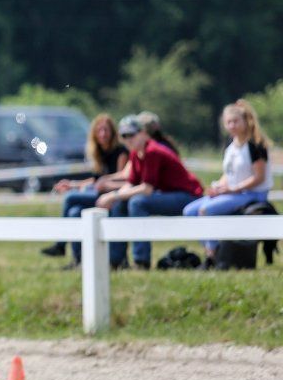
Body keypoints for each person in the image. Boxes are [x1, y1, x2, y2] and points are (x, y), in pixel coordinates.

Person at [96, 115, 203, 269]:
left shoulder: (153, 151)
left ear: (144, 134)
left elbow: (146, 189)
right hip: (169, 194)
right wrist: (113, 198)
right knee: (120, 204)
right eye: (124, 136)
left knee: (138, 202)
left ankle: (141, 261)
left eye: (132, 134)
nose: (128, 139)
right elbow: (131, 183)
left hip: (189, 196)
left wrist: (112, 195)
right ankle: (116, 260)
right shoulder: (135, 153)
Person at [183, 100, 274, 267]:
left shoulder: (255, 145)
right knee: (189, 211)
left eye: (235, 121)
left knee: (206, 210)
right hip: (233, 192)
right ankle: (211, 250)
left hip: (251, 193)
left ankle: (213, 255)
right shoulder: (231, 146)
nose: (232, 126)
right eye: (228, 122)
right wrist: (218, 187)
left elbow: (259, 178)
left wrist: (232, 189)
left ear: (245, 121)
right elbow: (230, 173)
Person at [41, 113, 128, 266]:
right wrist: (72, 184)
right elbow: (95, 180)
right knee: (74, 212)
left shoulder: (120, 152)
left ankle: (61, 244)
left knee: (70, 198)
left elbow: (121, 178)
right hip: (99, 193)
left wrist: (104, 182)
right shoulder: (98, 152)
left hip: (111, 195)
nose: (103, 134)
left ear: (112, 133)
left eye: (106, 130)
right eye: (99, 130)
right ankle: (79, 260)